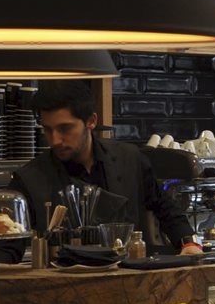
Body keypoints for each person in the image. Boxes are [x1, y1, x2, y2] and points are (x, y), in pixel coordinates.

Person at [12, 82, 200, 253]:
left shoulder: (129, 159)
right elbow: (7, 248)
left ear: (91, 121)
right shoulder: (29, 179)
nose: (55, 140)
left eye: (65, 129)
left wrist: (188, 243)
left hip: (128, 280)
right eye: (48, 129)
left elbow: (166, 208)